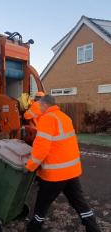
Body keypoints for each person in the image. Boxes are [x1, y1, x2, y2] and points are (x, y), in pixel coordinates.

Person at [25, 95, 101, 232]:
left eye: (40, 105)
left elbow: (41, 149)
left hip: (54, 175)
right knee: (80, 204)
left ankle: (33, 228)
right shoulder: (65, 117)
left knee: (41, 206)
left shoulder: (47, 119)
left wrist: (30, 167)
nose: (39, 108)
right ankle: (93, 228)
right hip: (71, 172)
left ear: (44, 105)